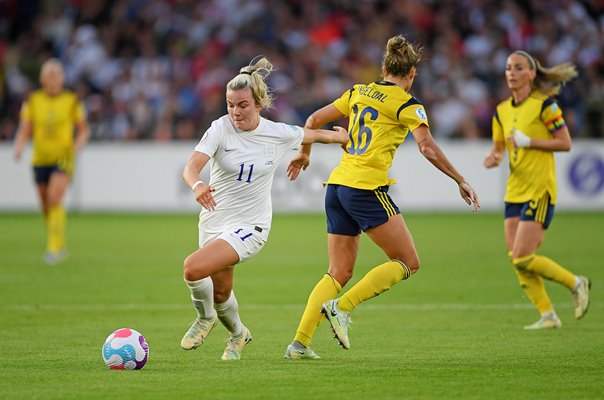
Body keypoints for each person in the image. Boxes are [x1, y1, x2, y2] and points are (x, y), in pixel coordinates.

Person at [284, 35, 480, 359]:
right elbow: (427, 146)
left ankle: (299, 343)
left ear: (384, 67)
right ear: (412, 73)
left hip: (337, 187)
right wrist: (460, 179)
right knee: (408, 262)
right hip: (367, 188)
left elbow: (313, 121)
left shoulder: (358, 91)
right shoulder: (407, 104)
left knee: (338, 272)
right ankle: (341, 308)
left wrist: (305, 153)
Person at [180, 57, 348, 361]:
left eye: (242, 105)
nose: (235, 111)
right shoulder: (220, 128)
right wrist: (198, 186)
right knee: (220, 293)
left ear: (258, 103)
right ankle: (238, 334)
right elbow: (191, 168)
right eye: (230, 104)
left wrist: (340, 137)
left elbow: (312, 134)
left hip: (252, 226)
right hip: (215, 220)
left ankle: (204, 320)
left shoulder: (276, 133)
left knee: (193, 268)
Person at [483, 50, 590, 330]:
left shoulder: (546, 107)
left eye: (518, 68)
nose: (512, 73)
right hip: (514, 191)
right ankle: (548, 315)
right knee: (516, 259)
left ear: (531, 74)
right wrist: (493, 158)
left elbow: (565, 143)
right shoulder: (501, 111)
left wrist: (529, 141)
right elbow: (498, 149)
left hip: (539, 189)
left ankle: (576, 283)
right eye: (508, 68)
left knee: (523, 255)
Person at [13, 58, 89, 265]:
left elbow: (83, 128)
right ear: (43, 78)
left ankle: (53, 248)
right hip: (40, 158)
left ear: (63, 78)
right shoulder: (33, 100)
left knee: (55, 198)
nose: (54, 79)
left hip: (63, 156)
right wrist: (19, 145)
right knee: (46, 205)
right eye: (50, 75)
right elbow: (26, 127)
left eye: (57, 75)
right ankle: (60, 243)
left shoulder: (71, 100)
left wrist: (79, 142)